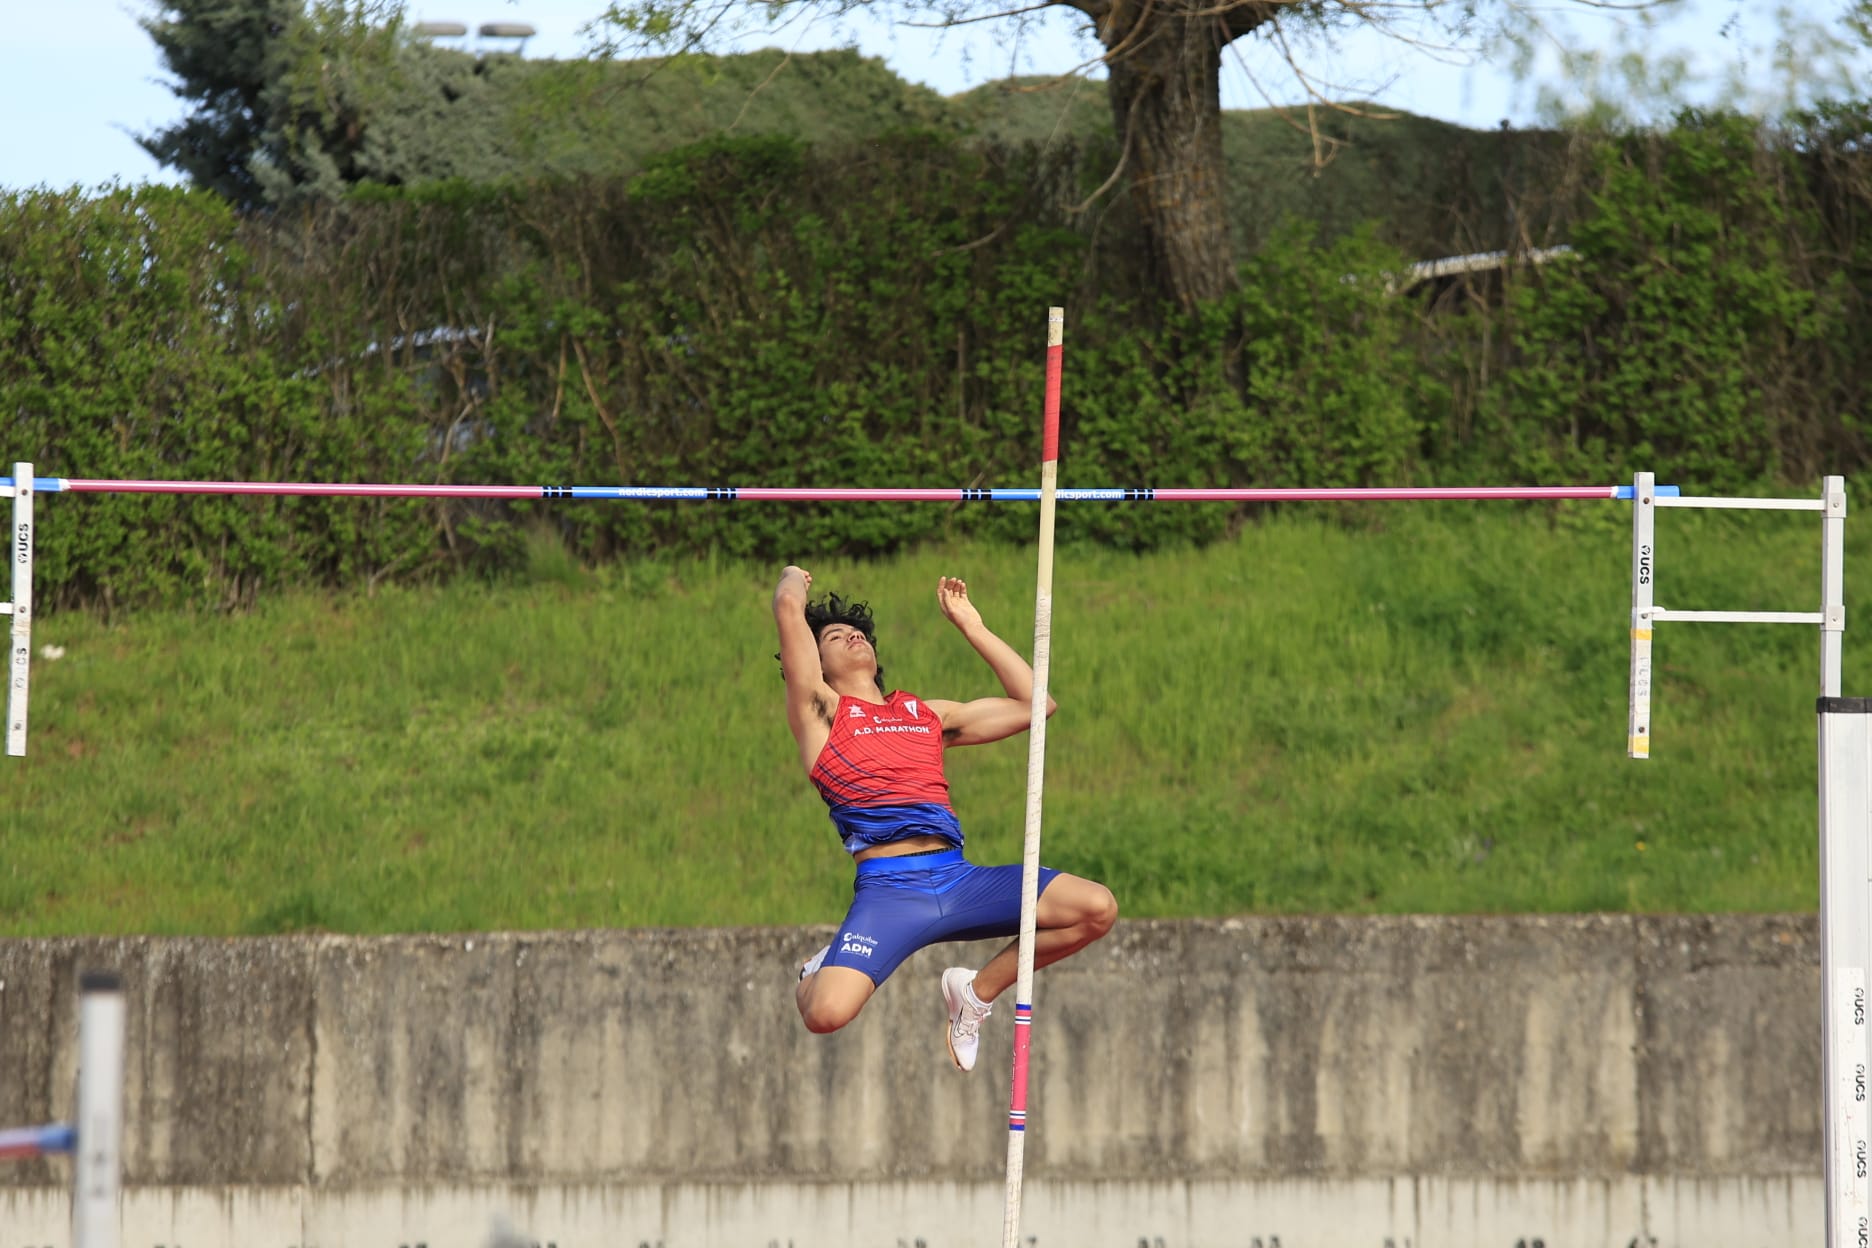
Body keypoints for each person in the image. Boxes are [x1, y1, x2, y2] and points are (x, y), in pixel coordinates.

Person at [772, 564, 1118, 1072]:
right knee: (825, 1014)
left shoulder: (924, 715)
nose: (852, 636)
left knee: (1095, 909)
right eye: (834, 636)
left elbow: (1035, 703)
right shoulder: (819, 713)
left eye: (857, 632)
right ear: (815, 661)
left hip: (958, 880)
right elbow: (787, 607)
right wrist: (791, 579)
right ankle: (816, 971)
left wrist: (972, 626)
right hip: (890, 893)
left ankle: (974, 995)